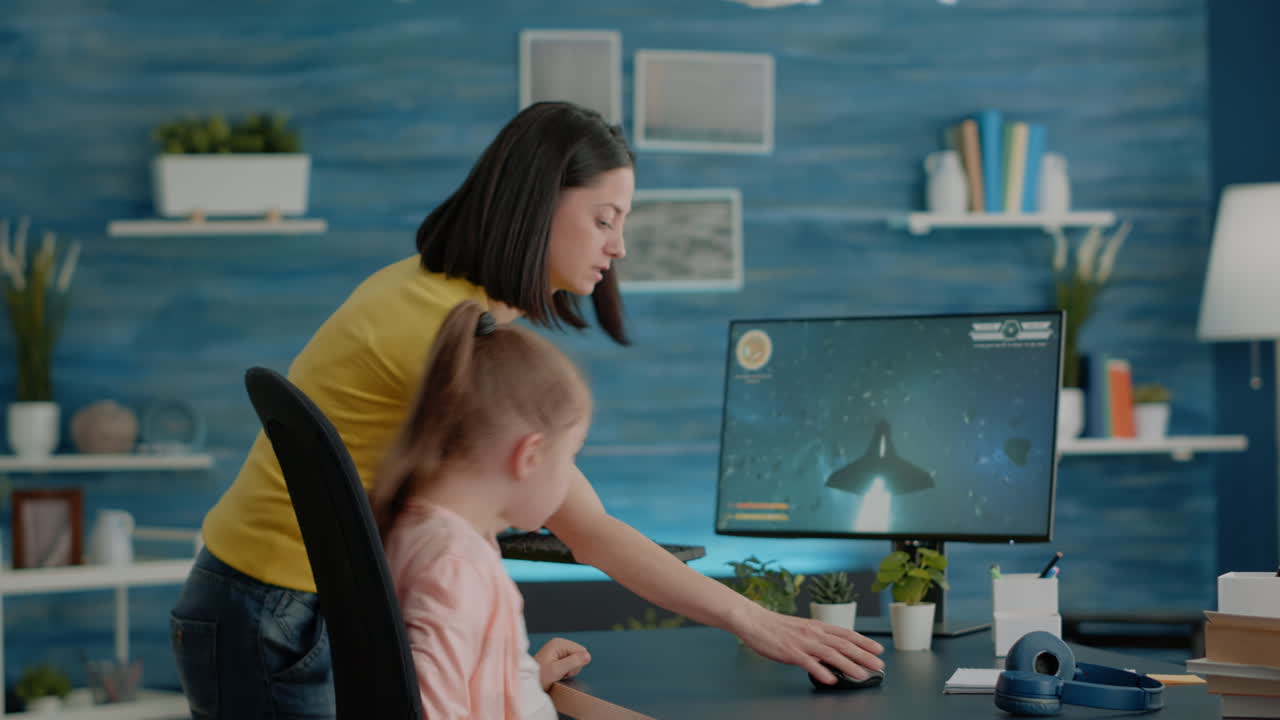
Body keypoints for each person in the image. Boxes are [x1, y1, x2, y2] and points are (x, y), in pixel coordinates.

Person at [170, 101, 883, 719]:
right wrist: (754, 620)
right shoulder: (445, 334)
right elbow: (588, 531)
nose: (619, 246)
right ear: (540, 204)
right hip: (278, 614)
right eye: (605, 218)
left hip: (275, 603)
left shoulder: (431, 295)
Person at [373, 299, 593, 717]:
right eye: (570, 458)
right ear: (530, 455)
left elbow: (449, 674)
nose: (568, 481)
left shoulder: (412, 527)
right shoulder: (455, 566)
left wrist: (514, 676)